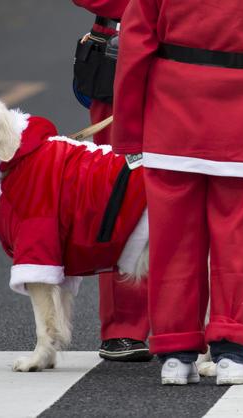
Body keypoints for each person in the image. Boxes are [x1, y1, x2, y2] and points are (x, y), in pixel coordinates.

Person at [111, 0, 243, 385]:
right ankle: (231, 354)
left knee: (173, 246)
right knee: (237, 247)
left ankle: (176, 354)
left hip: (171, 123)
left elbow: (134, 52)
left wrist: (129, 131)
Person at [72, 0, 152, 362]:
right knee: (121, 195)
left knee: (194, 193)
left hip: (194, 54)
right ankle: (125, 327)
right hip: (122, 51)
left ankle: (183, 323)